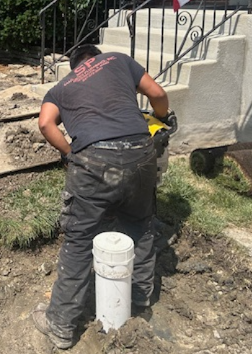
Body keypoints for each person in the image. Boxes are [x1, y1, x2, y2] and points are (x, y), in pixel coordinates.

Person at [33, 44, 171, 349]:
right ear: (97, 56)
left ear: (75, 67)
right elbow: (158, 95)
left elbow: (45, 124)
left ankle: (61, 326)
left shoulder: (61, 87)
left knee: (79, 240)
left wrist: (70, 153)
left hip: (93, 160)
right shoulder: (118, 60)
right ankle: (139, 299)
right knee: (140, 225)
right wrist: (163, 119)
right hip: (140, 152)